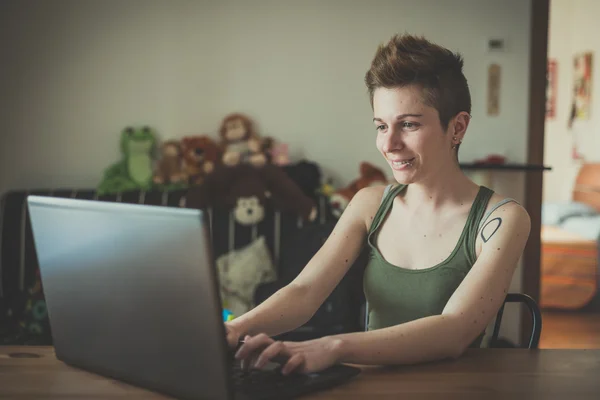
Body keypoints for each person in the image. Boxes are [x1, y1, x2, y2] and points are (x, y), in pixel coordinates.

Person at [225, 33, 531, 375]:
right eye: (381, 126)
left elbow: (454, 330)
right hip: (370, 386)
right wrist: (236, 328)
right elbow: (305, 291)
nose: (389, 144)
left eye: (409, 124)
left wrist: (334, 345)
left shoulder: (503, 219)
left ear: (457, 127)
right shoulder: (369, 204)